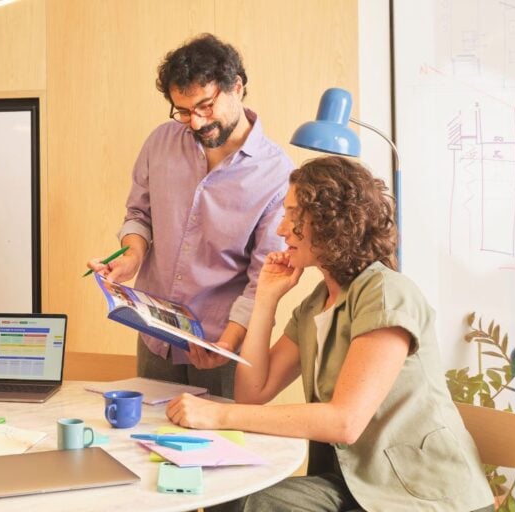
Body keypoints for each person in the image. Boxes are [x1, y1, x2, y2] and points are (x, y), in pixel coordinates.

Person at [166, 156, 494, 511]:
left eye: (294, 215)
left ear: (331, 221)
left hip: (420, 495)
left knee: (249, 505)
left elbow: (344, 421)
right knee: (238, 498)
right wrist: (265, 299)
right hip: (355, 487)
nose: (282, 229)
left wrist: (218, 415)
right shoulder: (316, 304)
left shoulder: (386, 292)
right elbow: (252, 393)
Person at [87, 34, 292, 398]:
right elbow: (139, 214)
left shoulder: (276, 174)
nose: (195, 122)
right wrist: (132, 255)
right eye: (182, 111)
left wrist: (228, 343)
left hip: (221, 343)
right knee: (145, 431)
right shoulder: (160, 142)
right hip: (155, 337)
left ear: (237, 88)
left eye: (205, 106)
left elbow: (264, 277)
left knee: (220, 436)